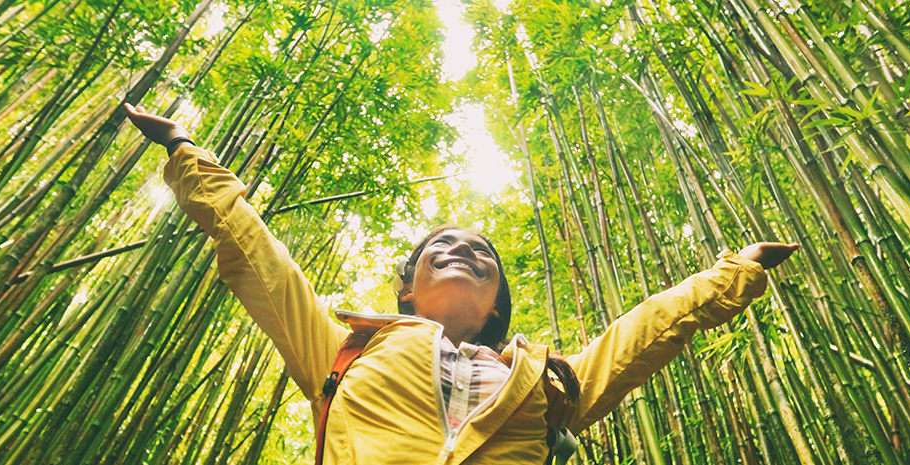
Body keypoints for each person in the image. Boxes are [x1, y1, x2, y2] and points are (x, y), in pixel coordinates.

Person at [124, 103, 799, 464]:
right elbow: (256, 253)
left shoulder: (549, 383)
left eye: (481, 251)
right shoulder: (340, 350)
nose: (460, 251)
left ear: (497, 299)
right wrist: (185, 149)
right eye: (439, 247)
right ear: (406, 289)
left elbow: (646, 330)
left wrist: (737, 270)